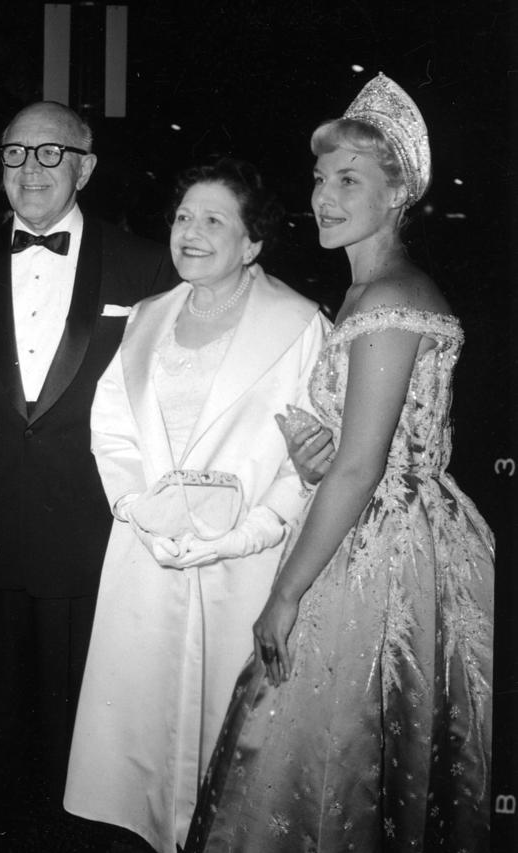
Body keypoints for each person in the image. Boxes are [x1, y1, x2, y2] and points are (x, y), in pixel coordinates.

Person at [185, 73, 494, 853]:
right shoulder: (365, 293)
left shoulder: (390, 296)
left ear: (398, 195)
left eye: (349, 179)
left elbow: (363, 471)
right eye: (322, 178)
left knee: (325, 745)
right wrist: (311, 451)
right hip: (374, 525)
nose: (324, 195)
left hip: (386, 552)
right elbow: (356, 457)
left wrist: (285, 593)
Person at [63, 159, 331, 853]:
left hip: (247, 561)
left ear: (253, 243)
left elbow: (311, 457)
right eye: (184, 216)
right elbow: (112, 425)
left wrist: (243, 535)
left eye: (215, 219)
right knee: (146, 742)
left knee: (232, 753)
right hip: (149, 552)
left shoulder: (299, 325)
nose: (192, 231)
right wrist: (135, 508)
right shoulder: (148, 317)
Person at [0, 100, 177, 850]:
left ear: (85, 167)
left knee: (86, 724)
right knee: (1, 718)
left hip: (91, 534)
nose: (29, 169)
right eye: (14, 153)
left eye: (49, 153)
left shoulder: (146, 265)